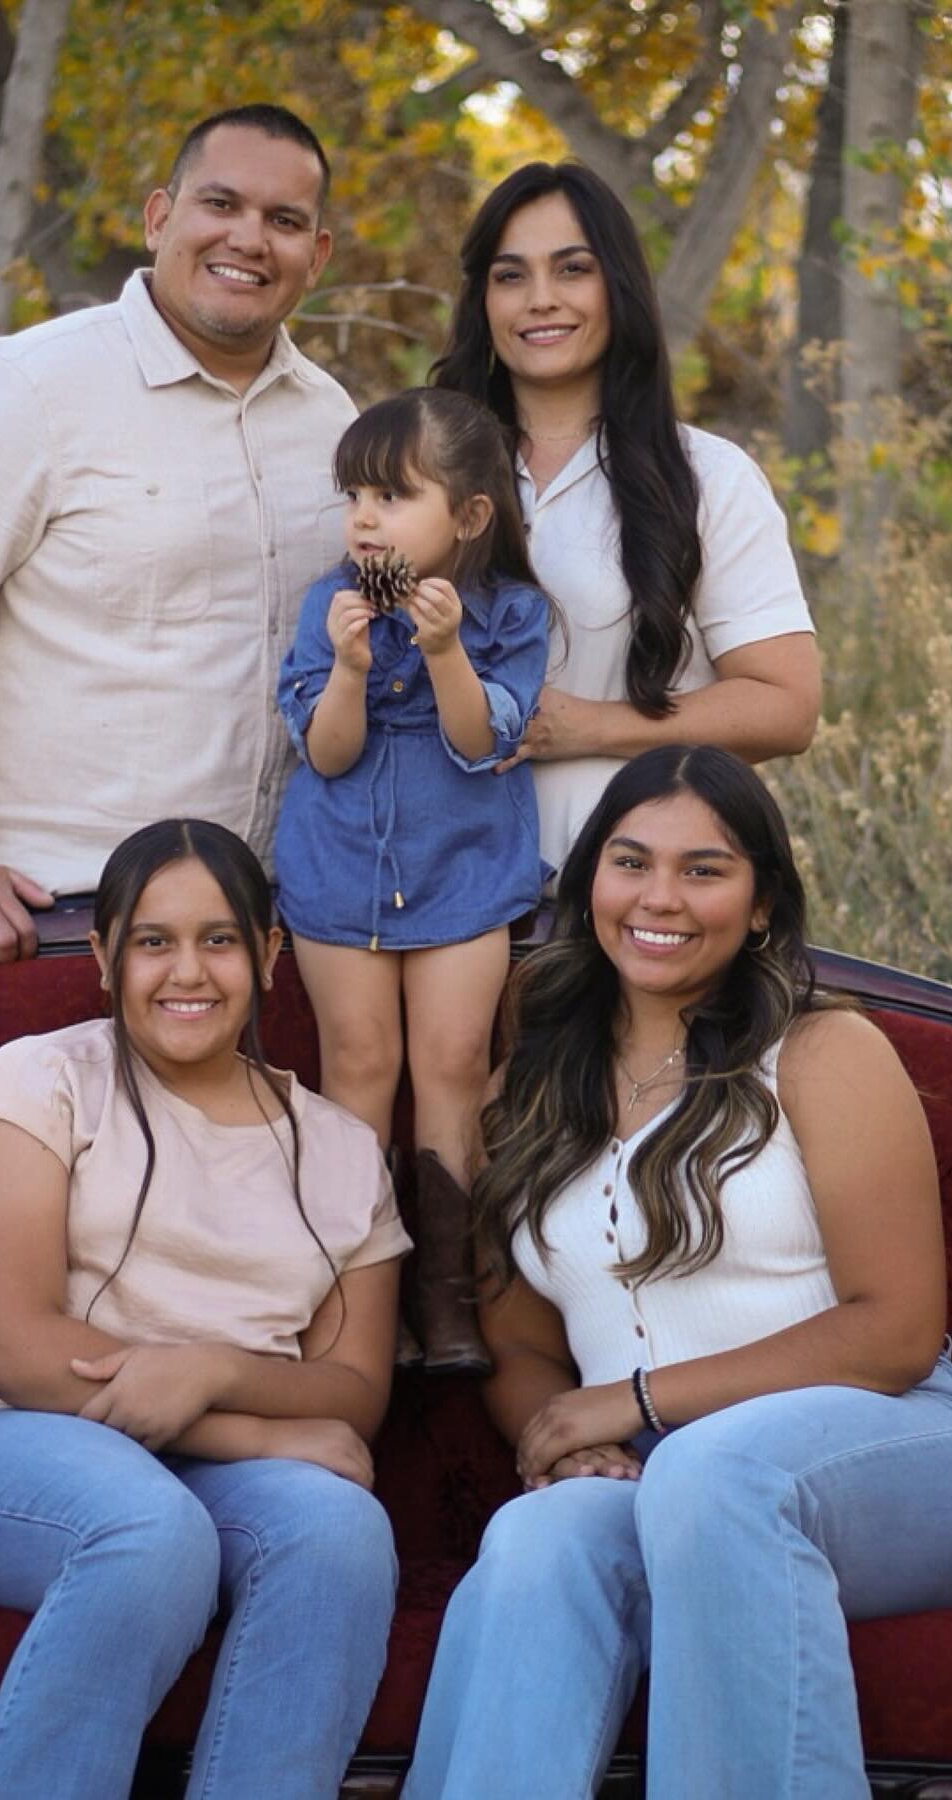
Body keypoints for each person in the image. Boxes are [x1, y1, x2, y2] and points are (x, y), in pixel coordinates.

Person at [403, 746, 952, 1799]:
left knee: (712, 1476)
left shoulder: (823, 1054)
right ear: (589, 879)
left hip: (899, 1452)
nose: (660, 898)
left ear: (764, 901)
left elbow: (896, 1332)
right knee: (536, 1540)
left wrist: (637, 1401)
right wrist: (564, 1443)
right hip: (660, 1478)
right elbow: (518, 1343)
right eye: (631, 861)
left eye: (705, 869)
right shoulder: (529, 1093)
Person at [0, 818, 410, 1800]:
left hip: (195, 1473)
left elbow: (354, 1391)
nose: (186, 971)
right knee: (150, 1530)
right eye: (153, 941)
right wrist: (250, 1430)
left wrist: (212, 1372)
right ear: (104, 959)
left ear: (270, 954)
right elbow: (12, 1346)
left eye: (220, 939)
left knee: (339, 1530)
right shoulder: (38, 1083)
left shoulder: (339, 1151)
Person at [0, 105, 355, 971]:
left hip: (268, 918)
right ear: (160, 216)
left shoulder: (332, 422)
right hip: (52, 915)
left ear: (318, 252)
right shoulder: (31, 388)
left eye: (284, 221)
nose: (249, 238)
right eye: (220, 204)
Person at [433, 161, 822, 876]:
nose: (540, 301)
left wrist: (592, 726)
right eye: (510, 275)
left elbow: (787, 707)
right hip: (433, 886)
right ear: (482, 300)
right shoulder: (424, 470)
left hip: (624, 890)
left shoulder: (708, 477)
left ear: (618, 286)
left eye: (572, 269)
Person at [274, 387, 551, 1373]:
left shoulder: (512, 612)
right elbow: (330, 754)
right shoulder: (326, 606)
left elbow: (482, 741)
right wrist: (348, 668)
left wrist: (442, 652)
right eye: (354, 495)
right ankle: (364, 1296)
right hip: (339, 868)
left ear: (468, 517)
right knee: (357, 1065)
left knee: (452, 1066)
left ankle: (449, 1296)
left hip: (464, 867)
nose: (363, 517)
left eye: (392, 497)